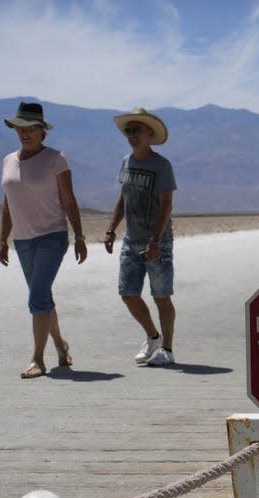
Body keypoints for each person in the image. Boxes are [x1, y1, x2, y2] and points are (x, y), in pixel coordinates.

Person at [0, 102, 88, 379]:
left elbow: (69, 200)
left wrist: (79, 236)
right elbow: (8, 203)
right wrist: (3, 239)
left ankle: (38, 359)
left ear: (41, 131)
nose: (25, 133)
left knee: (37, 297)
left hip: (52, 236)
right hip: (22, 240)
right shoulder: (8, 161)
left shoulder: (56, 159)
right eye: (20, 128)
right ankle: (61, 345)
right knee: (43, 298)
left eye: (31, 129)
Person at [104, 107, 177, 366]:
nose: (133, 135)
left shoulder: (161, 166)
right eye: (129, 131)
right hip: (131, 241)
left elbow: (166, 204)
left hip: (157, 242)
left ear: (149, 133)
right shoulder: (126, 162)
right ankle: (152, 336)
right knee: (128, 293)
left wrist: (156, 239)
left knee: (161, 296)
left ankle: (167, 349)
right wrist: (112, 229)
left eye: (138, 131)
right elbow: (123, 198)